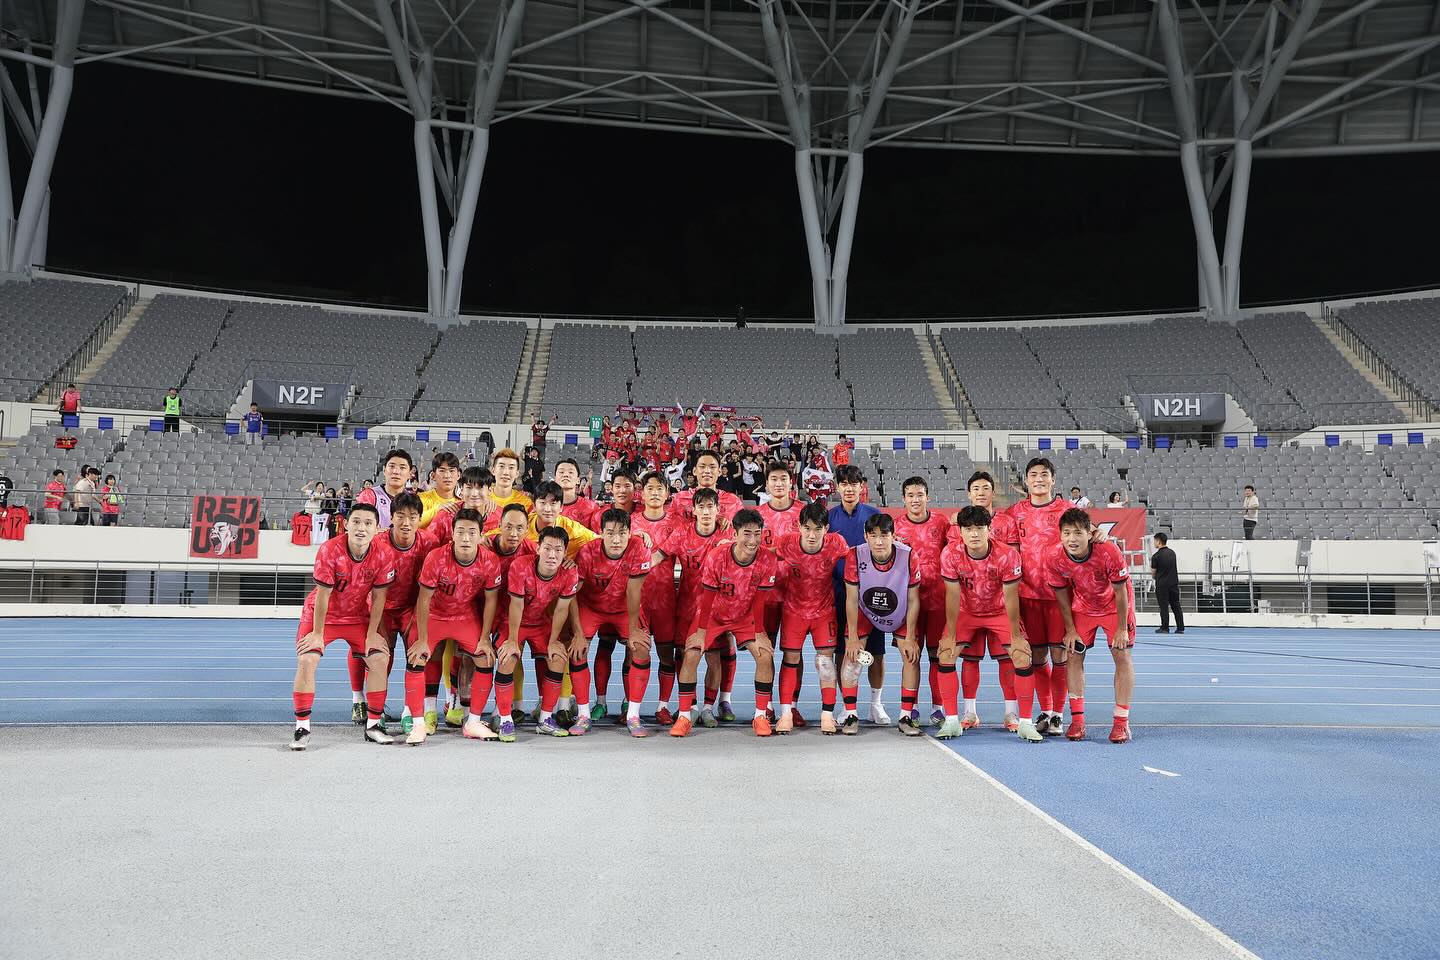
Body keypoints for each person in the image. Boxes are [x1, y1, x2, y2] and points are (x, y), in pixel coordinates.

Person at [289, 502, 396, 751]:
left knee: (379, 658)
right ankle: (302, 727)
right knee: (307, 659)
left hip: (357, 616)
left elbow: (379, 597)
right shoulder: (329, 550)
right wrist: (317, 634)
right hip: (322, 616)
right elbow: (323, 595)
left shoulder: (383, 554)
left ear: (377, 528)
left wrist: (372, 634)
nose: (361, 528)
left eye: (368, 523)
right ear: (346, 524)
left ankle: (374, 724)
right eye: (356, 522)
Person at [671, 508, 779, 738]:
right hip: (713, 614)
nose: (753, 540)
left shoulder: (768, 559)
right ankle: (684, 716)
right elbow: (707, 597)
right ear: (735, 533)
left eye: (757, 534)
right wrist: (701, 632)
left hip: (745, 616)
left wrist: (759, 632)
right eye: (747, 534)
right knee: (691, 654)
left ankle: (760, 716)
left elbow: (760, 599)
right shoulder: (717, 556)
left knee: (765, 655)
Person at [403, 508, 504, 746]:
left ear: (481, 535)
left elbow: (491, 600)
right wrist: (422, 639)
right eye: (461, 532)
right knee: (417, 657)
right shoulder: (436, 557)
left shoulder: (490, 560)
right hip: (435, 615)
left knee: (485, 658)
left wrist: (485, 638)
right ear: (452, 533)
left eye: (472, 532)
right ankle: (418, 724)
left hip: (465, 616)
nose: (466, 538)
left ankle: (473, 722)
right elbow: (423, 599)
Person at [939, 506, 1032, 741]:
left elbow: (1011, 597)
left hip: (999, 611)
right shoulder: (950, 554)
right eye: (968, 529)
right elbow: (952, 595)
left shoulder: (1007, 555)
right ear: (960, 532)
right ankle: (951, 721)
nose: (974, 534)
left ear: (989, 529)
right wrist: (950, 634)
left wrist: (1016, 636)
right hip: (966, 611)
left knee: (1021, 656)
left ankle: (1024, 721)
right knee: (946, 654)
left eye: (979, 528)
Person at [1001, 457, 1075, 737]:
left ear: (1053, 479)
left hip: (1060, 596)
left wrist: (1099, 535)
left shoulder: (1067, 510)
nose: (1039, 479)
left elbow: (1086, 536)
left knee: (1060, 656)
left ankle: (1058, 714)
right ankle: (1045, 710)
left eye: (1044, 474)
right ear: (1026, 480)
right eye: (1033, 474)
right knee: (1037, 658)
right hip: (1027, 596)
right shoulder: (1015, 512)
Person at [1048, 508, 1136, 744]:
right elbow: (1061, 595)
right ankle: (1077, 721)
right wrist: (1070, 629)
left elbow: (1121, 591)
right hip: (1083, 607)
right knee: (1073, 655)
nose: (1072, 539)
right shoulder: (1055, 557)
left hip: (1114, 607)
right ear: (1060, 535)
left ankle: (1121, 722)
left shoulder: (1108, 551)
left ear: (1090, 533)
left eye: (1078, 533)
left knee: (1121, 654)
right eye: (1067, 533)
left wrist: (1121, 628)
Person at [497, 527, 582, 738]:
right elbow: (516, 605)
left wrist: (553, 641)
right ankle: (505, 720)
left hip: (540, 623)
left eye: (558, 550)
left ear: (565, 553)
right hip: (512, 622)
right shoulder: (520, 566)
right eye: (547, 548)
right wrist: (512, 640)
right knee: (508, 658)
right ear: (538, 549)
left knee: (558, 657)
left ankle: (545, 718)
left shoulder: (570, 572)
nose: (552, 555)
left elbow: (562, 609)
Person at [575, 508, 654, 736]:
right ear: (601, 533)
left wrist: (634, 630)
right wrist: (578, 632)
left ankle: (633, 715)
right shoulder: (587, 552)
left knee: (641, 647)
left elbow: (633, 591)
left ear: (630, 533)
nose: (616, 539)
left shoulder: (639, 549)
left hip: (624, 608)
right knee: (577, 651)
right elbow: (572, 594)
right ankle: (583, 714)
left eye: (621, 533)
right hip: (591, 607)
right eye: (610, 533)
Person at [774, 501, 850, 734]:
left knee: (825, 662)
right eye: (807, 528)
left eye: (818, 529)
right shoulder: (786, 543)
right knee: (790, 659)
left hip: (823, 612)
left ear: (827, 529)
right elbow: (762, 554)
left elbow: (858, 557)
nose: (812, 534)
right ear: (799, 527)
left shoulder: (836, 543)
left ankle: (827, 715)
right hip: (793, 611)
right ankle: (786, 713)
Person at [843, 514, 920, 736]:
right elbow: (851, 598)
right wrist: (853, 638)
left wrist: (911, 637)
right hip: (865, 610)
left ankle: (906, 716)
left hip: (900, 610)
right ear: (865, 536)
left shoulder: (908, 555)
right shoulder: (854, 555)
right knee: (851, 655)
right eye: (873, 535)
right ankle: (851, 714)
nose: (879, 541)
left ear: (893, 536)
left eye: (884, 535)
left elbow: (914, 599)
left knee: (911, 656)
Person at [654, 488, 725, 727]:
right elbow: (658, 556)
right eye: (701, 507)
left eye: (710, 507)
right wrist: (632, 568)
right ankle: (691, 706)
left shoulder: (726, 535)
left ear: (718, 510)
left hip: (716, 609)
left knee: (714, 659)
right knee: (685, 656)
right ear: (693, 510)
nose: (706, 512)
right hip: (686, 606)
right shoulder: (682, 533)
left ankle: (708, 708)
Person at [369, 493, 439, 731]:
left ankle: (410, 712)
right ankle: (376, 711)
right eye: (400, 516)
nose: (406, 522)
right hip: (383, 609)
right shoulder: (377, 543)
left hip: (413, 610)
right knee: (379, 659)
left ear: (420, 519)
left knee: (417, 658)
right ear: (391, 517)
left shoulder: (430, 543)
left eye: (412, 517)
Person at [892, 476, 957, 731]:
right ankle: (911, 708)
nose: (915, 499)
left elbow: (955, 551)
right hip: (908, 603)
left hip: (939, 600)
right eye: (910, 495)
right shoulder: (896, 526)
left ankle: (938, 708)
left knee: (937, 657)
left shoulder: (941, 522)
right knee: (911, 656)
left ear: (927, 497)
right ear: (904, 499)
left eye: (920, 494)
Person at [828, 464, 885, 725]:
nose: (849, 489)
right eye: (844, 484)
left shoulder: (875, 515)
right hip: (839, 594)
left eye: (854, 484)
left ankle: (876, 704)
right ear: (837, 487)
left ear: (862, 487)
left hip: (873, 594)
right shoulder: (829, 518)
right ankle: (846, 705)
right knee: (843, 652)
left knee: (877, 653)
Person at [355, 448, 414, 528]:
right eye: (392, 466)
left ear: (410, 474)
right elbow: (361, 528)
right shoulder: (369, 495)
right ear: (384, 470)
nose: (396, 471)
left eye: (402, 468)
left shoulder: (412, 499)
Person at [1150, 532, 1184, 634]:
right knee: (1176, 606)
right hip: (1173, 583)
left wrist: (1156, 577)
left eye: (1155, 541)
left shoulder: (1156, 556)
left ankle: (1165, 627)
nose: (1154, 543)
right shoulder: (1172, 553)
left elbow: (1153, 572)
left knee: (1164, 606)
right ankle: (1180, 627)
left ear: (1158, 541)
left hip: (1162, 584)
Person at [418, 451, 461, 529]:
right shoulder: (421, 499)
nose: (447, 476)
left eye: (451, 471)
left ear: (458, 475)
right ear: (433, 475)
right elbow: (414, 523)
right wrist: (437, 510)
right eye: (442, 471)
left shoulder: (462, 503)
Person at [555, 458, 600, 530]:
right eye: (561, 472)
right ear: (555, 479)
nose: (566, 475)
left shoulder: (591, 508)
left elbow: (597, 535)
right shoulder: (545, 507)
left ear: (578, 480)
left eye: (570, 472)